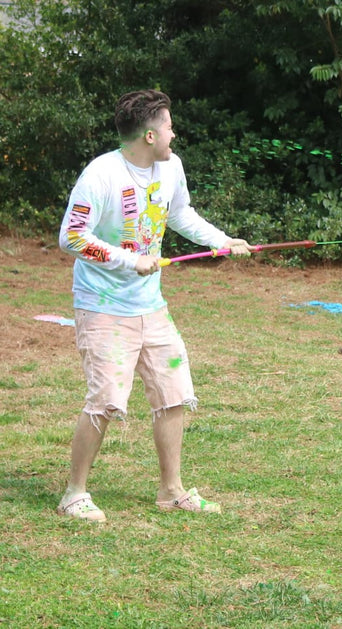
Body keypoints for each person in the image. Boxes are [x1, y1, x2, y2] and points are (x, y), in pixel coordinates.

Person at [56, 89, 252, 522]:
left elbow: (180, 213)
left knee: (173, 391)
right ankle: (74, 493)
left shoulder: (171, 167)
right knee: (106, 399)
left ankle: (172, 492)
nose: (173, 134)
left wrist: (222, 240)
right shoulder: (101, 175)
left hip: (151, 305)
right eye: (168, 126)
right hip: (103, 305)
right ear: (149, 135)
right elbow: (71, 237)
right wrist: (130, 259)